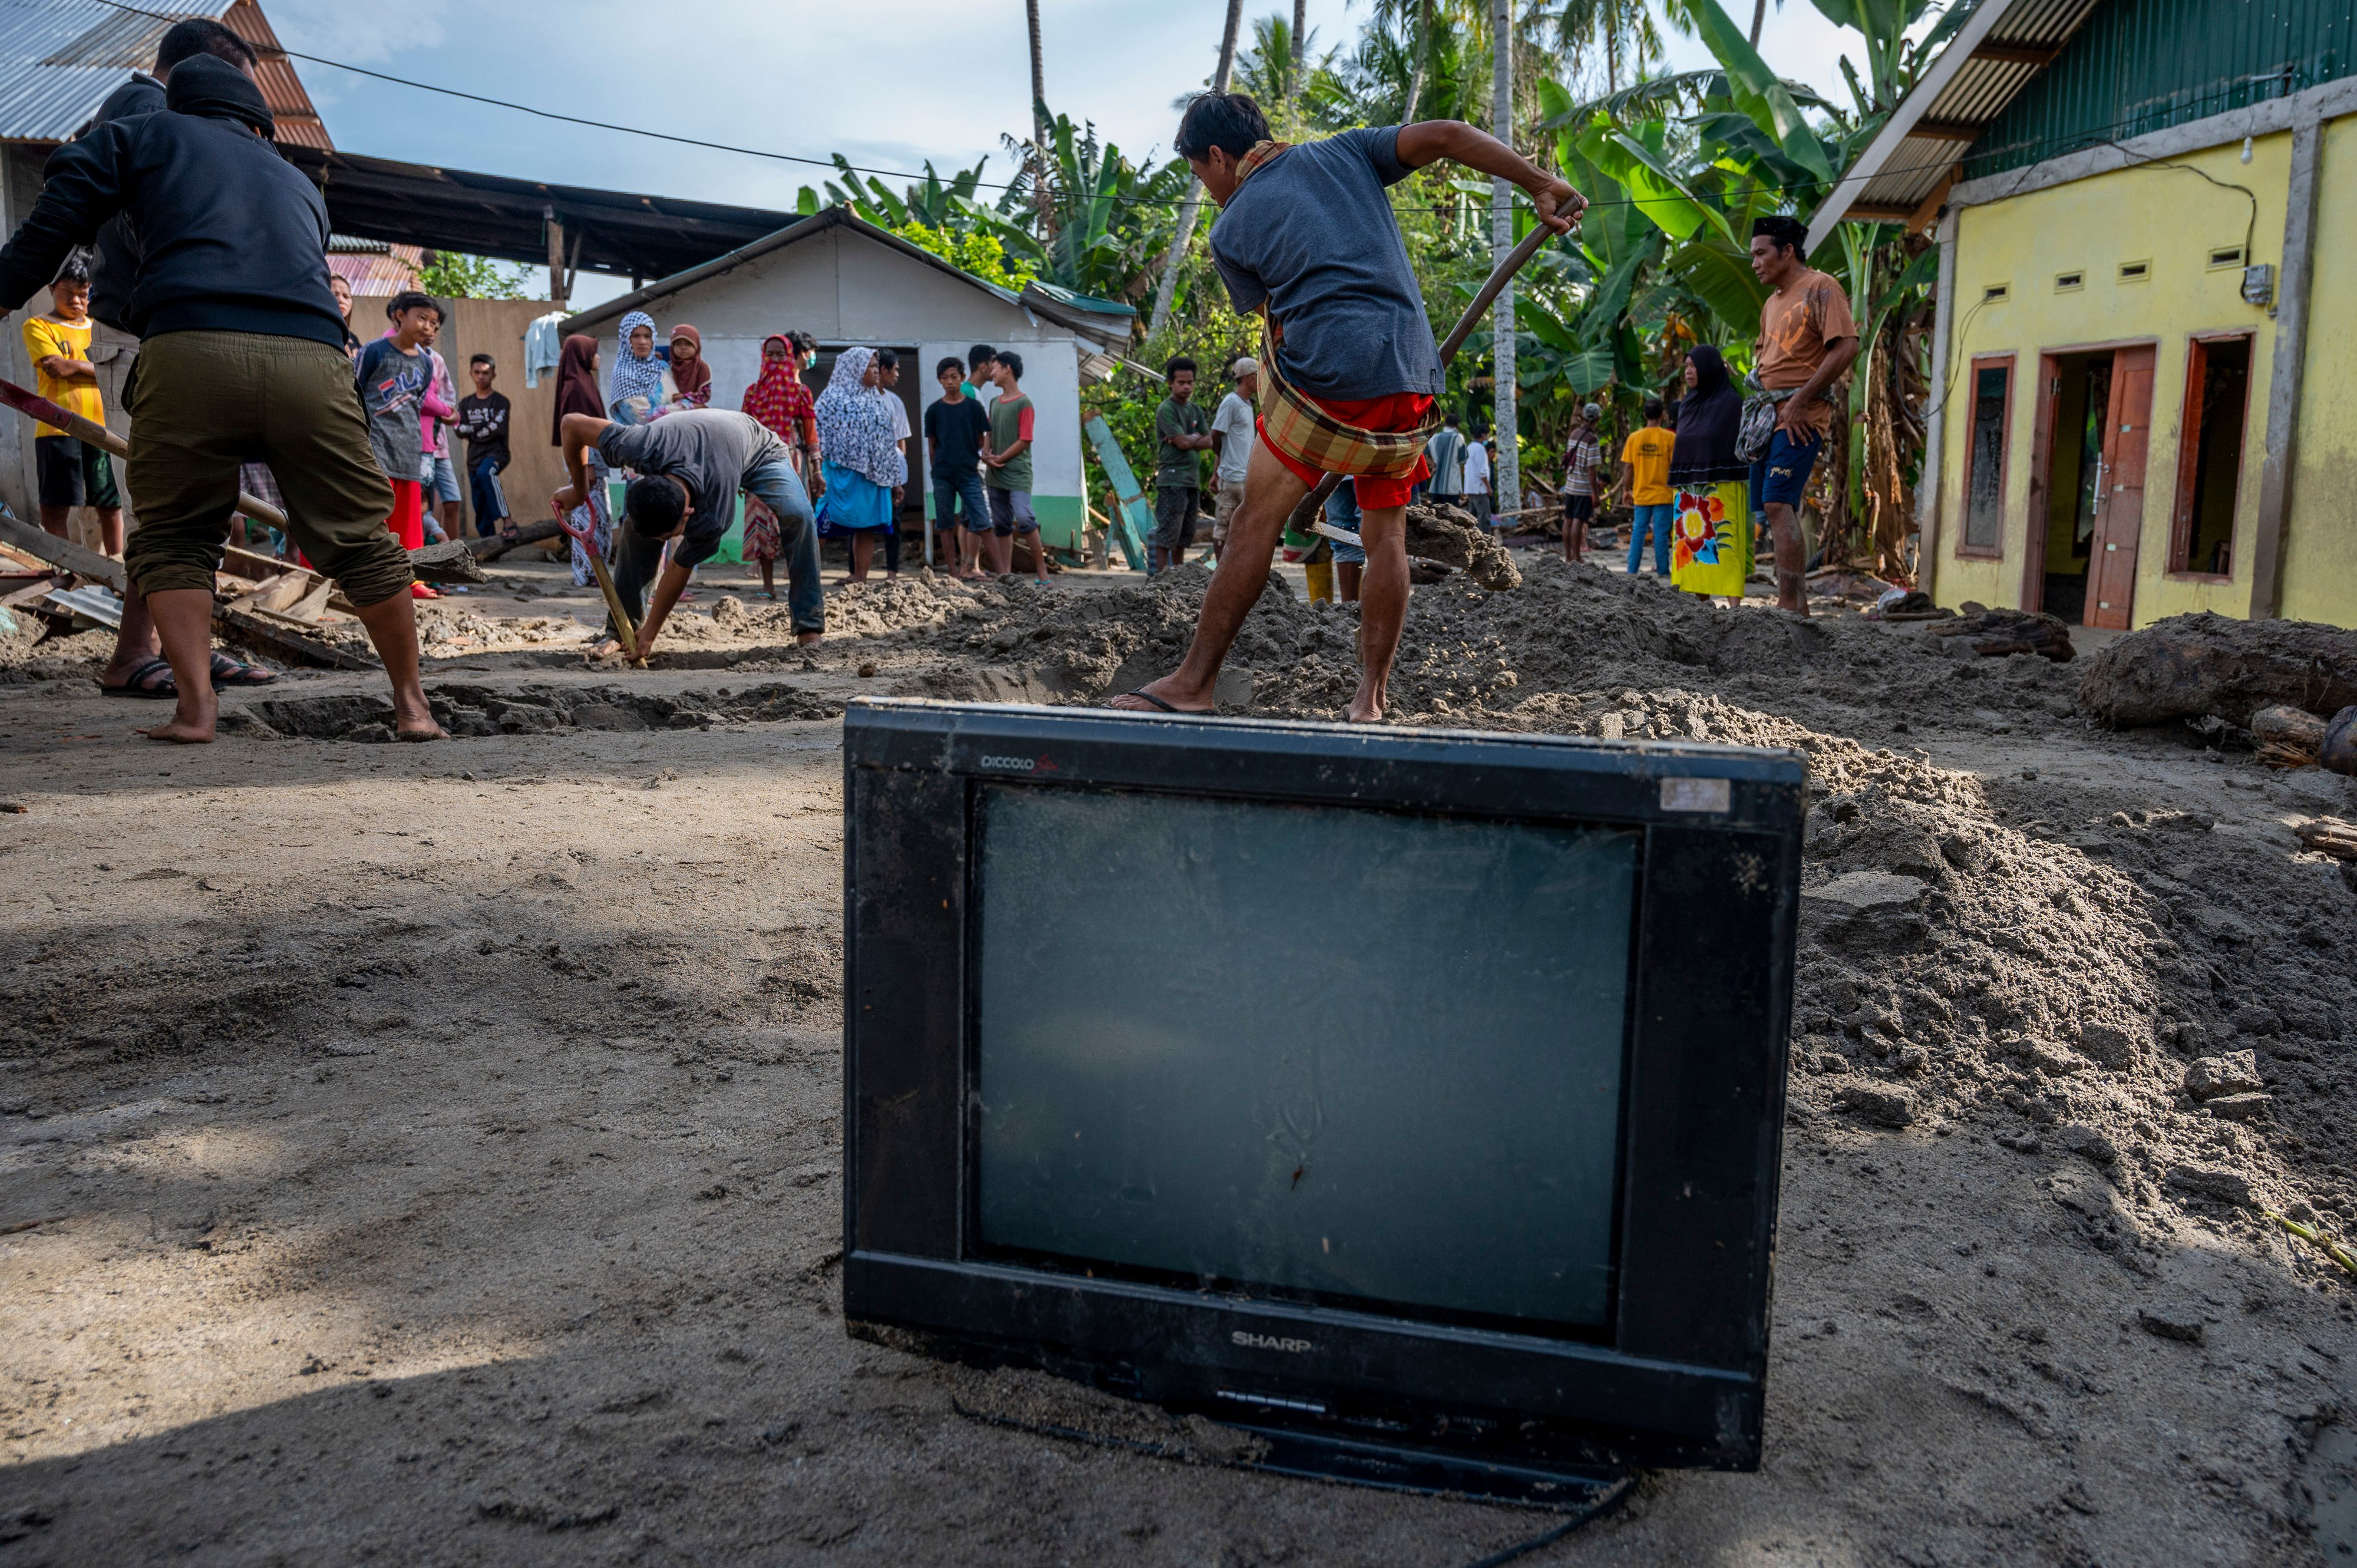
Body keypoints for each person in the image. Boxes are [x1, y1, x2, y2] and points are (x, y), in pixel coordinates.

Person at [0, 54, 438, 742]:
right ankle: (413, 708)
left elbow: (52, 225)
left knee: (176, 535)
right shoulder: (298, 181)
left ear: (177, 103)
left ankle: (195, 710)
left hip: (189, 346)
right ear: (260, 125)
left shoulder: (144, 133)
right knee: (361, 540)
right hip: (314, 360)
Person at [1110, 94, 1580, 721]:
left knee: (1253, 523)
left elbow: (1276, 325)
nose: (1210, 191)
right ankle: (1371, 698)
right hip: (1410, 371)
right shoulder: (1348, 150)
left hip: (1328, 375)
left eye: (1201, 175)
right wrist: (1540, 183)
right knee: (1385, 536)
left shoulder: (1230, 229)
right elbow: (1446, 133)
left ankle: (1194, 683)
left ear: (1218, 156)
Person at [71, 17, 274, 699]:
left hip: (173, 333)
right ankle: (136, 653)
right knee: (164, 503)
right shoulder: (143, 107)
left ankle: (182, 647)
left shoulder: (167, 119)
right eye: (234, 88)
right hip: (143, 332)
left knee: (195, 502)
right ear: (201, 71)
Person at [554, 405, 821, 661]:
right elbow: (572, 425)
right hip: (694, 438)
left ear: (688, 512)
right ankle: (621, 631)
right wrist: (579, 490)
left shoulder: (713, 516)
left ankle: (808, 624)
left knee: (799, 514)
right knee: (635, 531)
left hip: (759, 450)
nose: (664, 543)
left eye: (670, 536)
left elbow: (678, 567)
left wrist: (650, 634)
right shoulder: (639, 446)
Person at [1749, 213, 1858, 615]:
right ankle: (1799, 608)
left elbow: (1847, 347)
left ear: (1788, 251)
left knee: (1778, 503)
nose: (1755, 263)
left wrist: (1801, 400)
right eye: (1752, 256)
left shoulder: (1821, 287)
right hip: (1767, 418)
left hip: (1801, 417)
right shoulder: (1770, 304)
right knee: (1769, 506)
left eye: (1762, 254)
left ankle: (1789, 605)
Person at [22, 259, 124, 556]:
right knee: (56, 507)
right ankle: (63, 569)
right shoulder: (39, 325)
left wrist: (75, 366)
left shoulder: (100, 328)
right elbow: (55, 367)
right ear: (52, 288)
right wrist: (99, 367)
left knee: (110, 504)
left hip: (103, 430)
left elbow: (118, 369)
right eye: (68, 293)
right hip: (58, 428)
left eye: (83, 293)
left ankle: (115, 568)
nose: (77, 301)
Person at [355, 291, 443, 598]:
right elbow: (354, 392)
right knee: (373, 516)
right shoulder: (374, 352)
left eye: (433, 322)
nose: (428, 326)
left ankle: (411, 581)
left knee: (409, 522)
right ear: (400, 316)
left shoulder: (426, 363)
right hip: (375, 446)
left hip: (409, 450)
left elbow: (416, 405)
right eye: (422, 318)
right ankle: (368, 578)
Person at [738, 331, 824, 603]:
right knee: (761, 523)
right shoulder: (753, 393)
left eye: (780, 354)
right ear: (764, 356)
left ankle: (795, 585)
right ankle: (768, 586)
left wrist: (817, 471)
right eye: (770, 354)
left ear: (789, 357)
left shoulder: (801, 393)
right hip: (756, 462)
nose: (775, 359)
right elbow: (744, 432)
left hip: (791, 462)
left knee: (792, 520)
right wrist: (739, 470)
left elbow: (811, 435)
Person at [1666, 342, 1751, 606]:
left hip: (1721, 487)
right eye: (1686, 366)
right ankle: (1700, 603)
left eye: (1694, 366)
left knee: (1725, 547)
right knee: (1692, 550)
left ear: (1709, 367)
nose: (1688, 372)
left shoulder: (1731, 404)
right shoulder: (1687, 405)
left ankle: (1734, 606)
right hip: (1689, 490)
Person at [813, 345, 897, 583]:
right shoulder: (831, 399)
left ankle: (860, 577)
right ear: (854, 368)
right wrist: (816, 470)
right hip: (839, 476)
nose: (876, 371)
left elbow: (887, 442)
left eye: (876, 366)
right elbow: (816, 437)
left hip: (872, 478)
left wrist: (895, 481)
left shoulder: (875, 399)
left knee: (866, 527)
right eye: (870, 367)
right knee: (821, 526)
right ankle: (808, 577)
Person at [550, 332, 616, 592]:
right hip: (588, 464)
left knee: (599, 518)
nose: (597, 357)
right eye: (593, 352)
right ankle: (587, 573)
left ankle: (594, 572)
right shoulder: (577, 387)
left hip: (592, 463)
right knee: (589, 518)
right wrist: (586, 468)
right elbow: (579, 433)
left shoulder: (583, 381)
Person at [923, 354, 991, 582]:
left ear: (962, 377)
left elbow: (983, 439)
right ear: (939, 380)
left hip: (970, 472)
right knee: (946, 524)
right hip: (943, 475)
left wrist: (974, 457)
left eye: (954, 377)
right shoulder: (934, 411)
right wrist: (936, 471)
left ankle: (1002, 573)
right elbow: (932, 445)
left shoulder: (974, 407)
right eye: (945, 378)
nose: (950, 382)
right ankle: (955, 573)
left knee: (982, 521)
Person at [981, 350, 1045, 582]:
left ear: (1008, 369)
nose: (992, 374)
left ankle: (1043, 572)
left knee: (1025, 518)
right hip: (995, 474)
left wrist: (1000, 459)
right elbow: (990, 432)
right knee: (1001, 524)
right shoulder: (994, 403)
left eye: (995, 369)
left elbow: (1025, 439)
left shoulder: (1024, 403)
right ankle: (1005, 575)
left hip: (1018, 473)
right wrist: (986, 454)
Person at [1151, 355, 1211, 575]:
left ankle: (1176, 575)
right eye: (1181, 382)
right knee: (1168, 531)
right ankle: (1160, 576)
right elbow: (1184, 443)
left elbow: (1209, 441)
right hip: (1172, 479)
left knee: (1185, 533)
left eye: (1190, 382)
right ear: (1170, 383)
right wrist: (1194, 438)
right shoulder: (1166, 410)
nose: (1187, 387)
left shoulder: (1195, 410)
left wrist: (1188, 439)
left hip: (1191, 481)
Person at [1207, 356, 1259, 561]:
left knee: (1242, 528)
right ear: (1248, 378)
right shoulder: (1231, 403)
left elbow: (1228, 442)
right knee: (1223, 526)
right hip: (1231, 477)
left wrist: (1215, 472)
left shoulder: (1247, 404)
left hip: (1244, 477)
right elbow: (1216, 435)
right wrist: (1220, 469)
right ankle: (1220, 570)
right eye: (1257, 376)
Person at [1617, 397, 1675, 576]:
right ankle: (1663, 571)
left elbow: (1628, 467)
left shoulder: (1634, 438)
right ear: (1663, 415)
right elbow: (1675, 467)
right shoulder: (1670, 438)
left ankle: (1632, 570)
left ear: (1644, 415)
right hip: (1664, 494)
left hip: (1641, 494)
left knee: (1638, 533)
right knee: (1661, 534)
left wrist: (1626, 490)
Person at [457, 352, 511, 537]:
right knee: (479, 502)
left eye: (486, 373)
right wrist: (481, 429)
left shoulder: (501, 402)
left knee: (486, 473)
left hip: (497, 453)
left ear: (493, 375)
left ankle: (508, 521)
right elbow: (458, 429)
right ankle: (489, 542)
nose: (481, 377)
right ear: (471, 374)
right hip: (474, 457)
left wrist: (472, 430)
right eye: (477, 372)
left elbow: (497, 429)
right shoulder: (466, 403)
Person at [874, 347, 909, 576]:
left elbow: (901, 441)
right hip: (869, 473)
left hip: (894, 474)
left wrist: (899, 474)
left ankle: (892, 573)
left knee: (893, 522)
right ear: (883, 370)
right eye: (895, 370)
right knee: (861, 524)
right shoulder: (862, 399)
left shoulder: (895, 402)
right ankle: (857, 573)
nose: (897, 375)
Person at [1560, 403, 1606, 565]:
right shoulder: (1592, 440)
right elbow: (1591, 470)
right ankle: (1577, 556)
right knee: (1578, 521)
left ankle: (1568, 556)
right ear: (1597, 419)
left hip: (1570, 485)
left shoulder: (1574, 434)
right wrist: (1595, 494)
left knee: (1568, 520)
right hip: (1583, 487)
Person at [608, 309, 669, 423]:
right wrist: (686, 408)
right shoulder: (623, 374)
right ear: (626, 339)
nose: (642, 342)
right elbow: (642, 418)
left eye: (647, 336)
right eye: (636, 336)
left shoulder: (663, 368)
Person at [1423, 411, 1466, 508]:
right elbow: (1463, 459)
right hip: (1451, 486)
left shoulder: (1434, 437)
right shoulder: (1458, 438)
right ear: (1457, 425)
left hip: (1436, 485)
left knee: (1436, 514)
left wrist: (1433, 464)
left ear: (1445, 424)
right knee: (1451, 515)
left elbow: (1423, 455)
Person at [666, 324, 712, 410]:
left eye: (688, 344)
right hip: (670, 408)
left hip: (694, 410)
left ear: (696, 345)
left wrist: (685, 397)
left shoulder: (702, 367)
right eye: (678, 344)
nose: (683, 348)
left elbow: (705, 395)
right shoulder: (668, 367)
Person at [1463, 423, 1493, 530]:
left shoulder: (1470, 447)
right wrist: (1488, 487)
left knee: (1473, 517)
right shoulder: (1480, 449)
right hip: (1480, 489)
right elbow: (1482, 472)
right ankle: (1485, 537)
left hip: (1471, 487)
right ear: (1483, 436)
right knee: (1484, 518)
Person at [328, 272, 361, 360]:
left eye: (346, 296)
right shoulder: (320, 335)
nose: (342, 300)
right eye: (335, 294)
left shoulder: (353, 338)